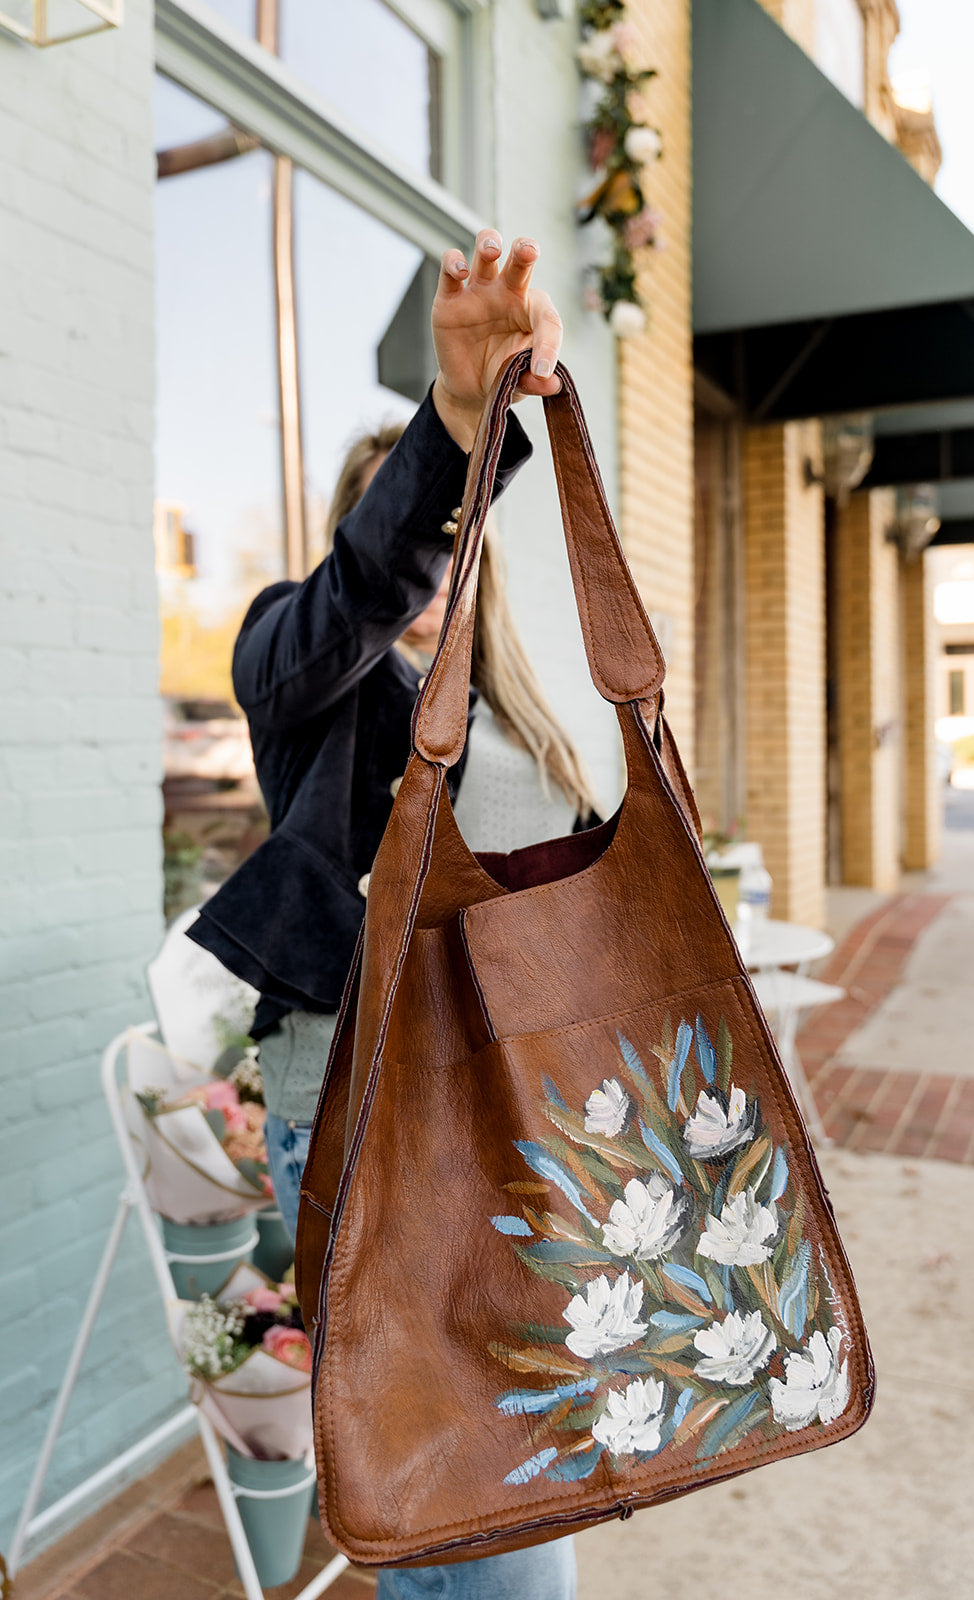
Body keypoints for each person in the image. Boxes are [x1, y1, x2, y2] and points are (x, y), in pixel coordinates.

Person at [188, 230, 590, 1600]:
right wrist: (454, 429)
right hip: (372, 1109)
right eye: (403, 546)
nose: (421, 578)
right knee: (482, 1518)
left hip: (517, 1107)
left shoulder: (522, 701)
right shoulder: (300, 665)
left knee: (519, 1476)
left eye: (446, 544)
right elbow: (359, 590)